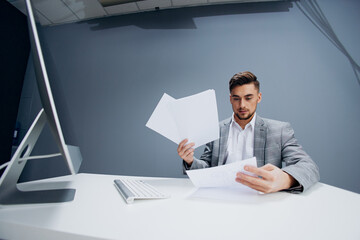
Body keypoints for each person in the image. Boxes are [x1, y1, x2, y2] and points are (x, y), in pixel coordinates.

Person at [177, 71, 319, 193]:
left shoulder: (279, 130)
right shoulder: (217, 129)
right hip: (221, 200)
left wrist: (285, 180)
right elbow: (207, 169)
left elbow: (309, 167)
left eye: (248, 98)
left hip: (262, 202)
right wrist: (190, 161)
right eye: (236, 98)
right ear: (230, 99)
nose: (242, 105)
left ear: (259, 97)